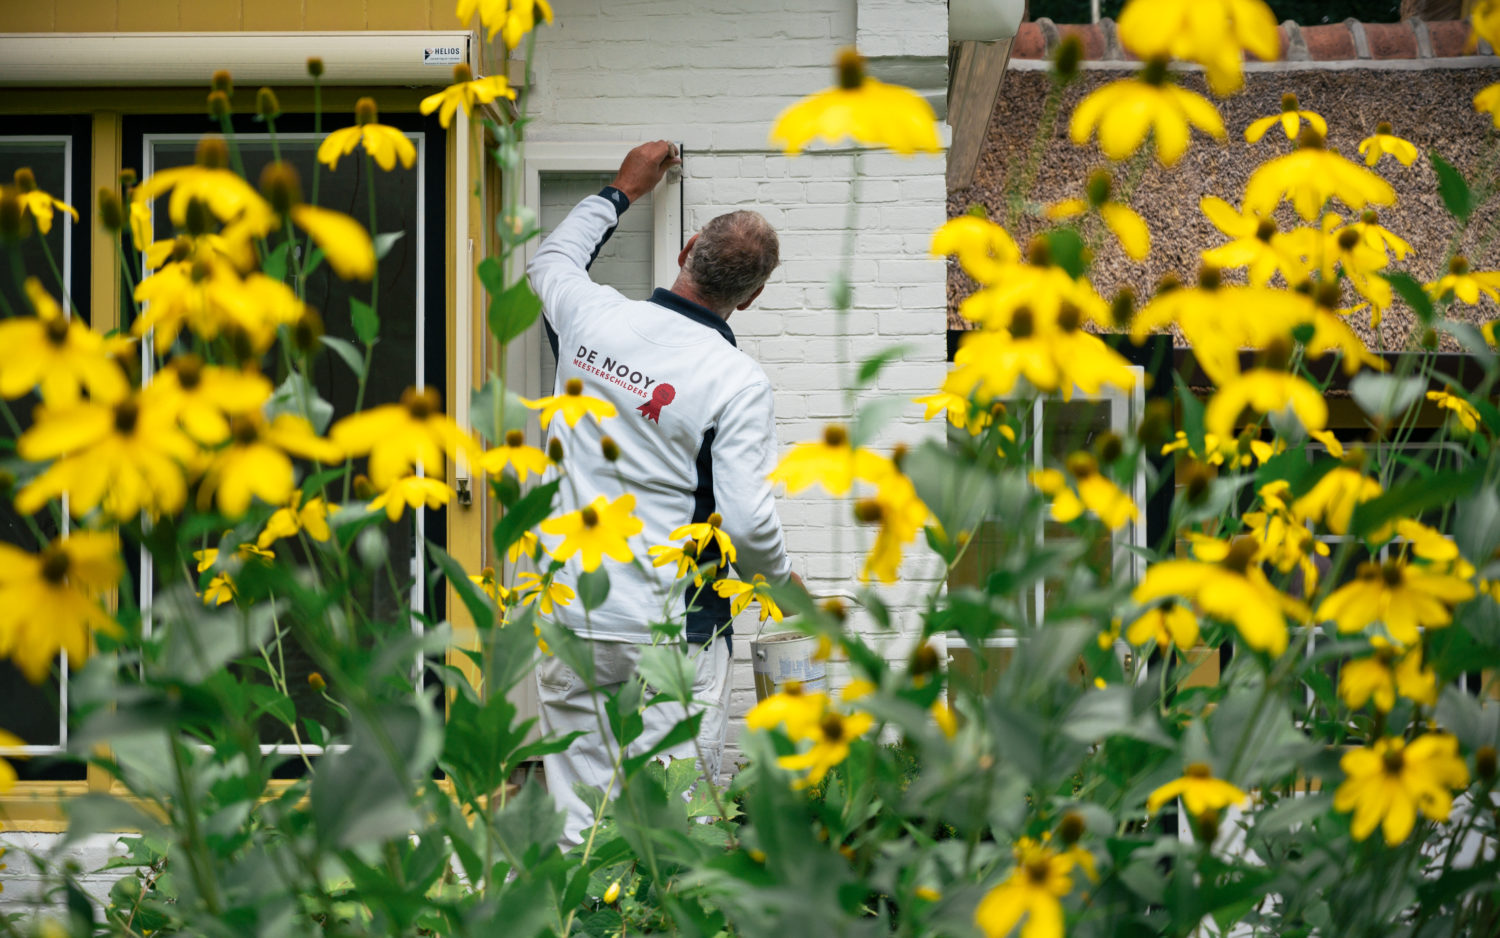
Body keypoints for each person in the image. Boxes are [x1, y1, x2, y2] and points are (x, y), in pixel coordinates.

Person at [527, 140, 799, 845]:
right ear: (755, 295)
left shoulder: (594, 318)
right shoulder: (736, 382)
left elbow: (550, 261)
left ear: (685, 250)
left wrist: (622, 188)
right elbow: (743, 518)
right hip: (669, 630)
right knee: (676, 817)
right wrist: (784, 585)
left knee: (573, 809)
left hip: (572, 606)